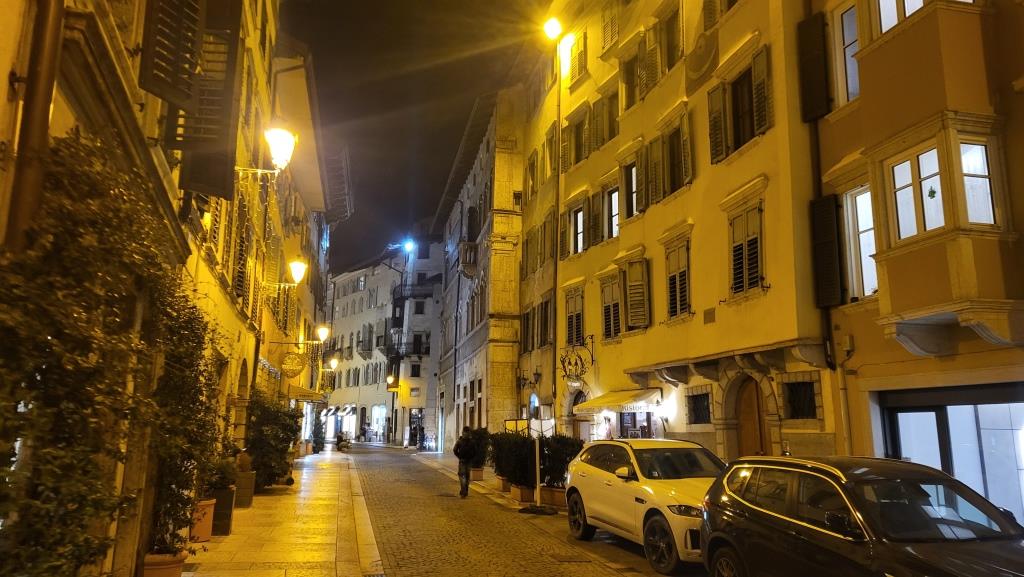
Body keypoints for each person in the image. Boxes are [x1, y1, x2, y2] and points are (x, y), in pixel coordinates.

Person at [452, 426, 476, 498]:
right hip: (469, 461)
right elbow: (475, 451)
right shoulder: (472, 441)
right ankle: (466, 490)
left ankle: (463, 491)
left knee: (461, 476)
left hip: (462, 460)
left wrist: (459, 456)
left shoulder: (459, 441)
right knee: (467, 476)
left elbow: (454, 450)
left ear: (463, 432)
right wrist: (472, 458)